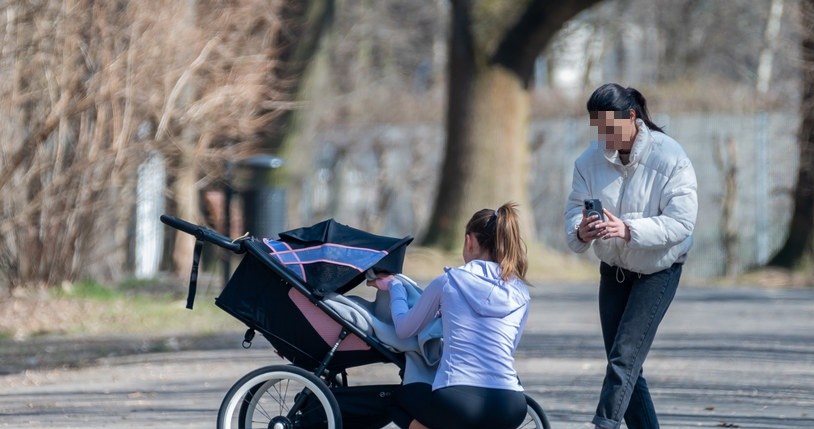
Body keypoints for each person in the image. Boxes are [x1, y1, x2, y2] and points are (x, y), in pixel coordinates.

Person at [564, 83, 698, 429]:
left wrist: (628, 230)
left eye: (610, 128)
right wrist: (581, 232)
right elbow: (573, 211)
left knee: (623, 360)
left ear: (632, 117)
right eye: (598, 129)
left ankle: (602, 424)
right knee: (624, 363)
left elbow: (682, 223)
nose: (604, 137)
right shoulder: (587, 162)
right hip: (614, 271)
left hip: (658, 270)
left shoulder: (670, 156)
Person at [369, 202, 531, 429]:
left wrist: (395, 287)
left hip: (458, 400)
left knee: (398, 400)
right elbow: (508, 348)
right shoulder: (521, 291)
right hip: (512, 405)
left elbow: (405, 328)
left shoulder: (448, 282)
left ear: (469, 240)